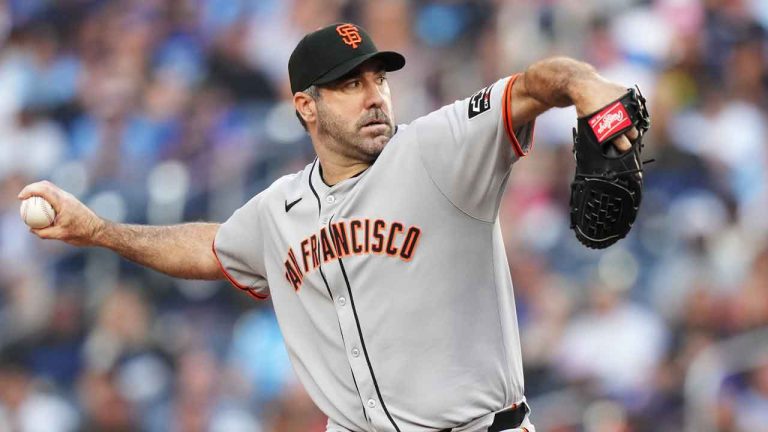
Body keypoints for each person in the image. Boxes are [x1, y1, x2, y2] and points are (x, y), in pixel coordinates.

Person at [19, 23, 639, 432]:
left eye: (379, 79)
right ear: (306, 106)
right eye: (350, 83)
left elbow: (539, 84)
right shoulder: (278, 209)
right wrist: (99, 231)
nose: (374, 96)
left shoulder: (437, 149)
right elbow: (210, 248)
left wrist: (589, 90)